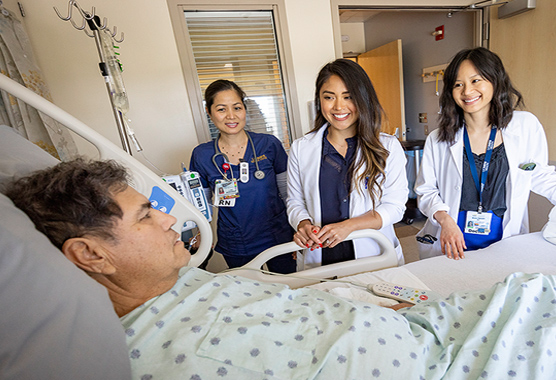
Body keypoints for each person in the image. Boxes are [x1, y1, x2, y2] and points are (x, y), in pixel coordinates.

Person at [6, 158, 556, 379]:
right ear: (90, 254)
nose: (171, 219)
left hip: (412, 327)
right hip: (426, 364)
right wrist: (312, 227)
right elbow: (292, 200)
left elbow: (394, 208)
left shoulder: (182, 281)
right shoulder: (147, 354)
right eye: (148, 213)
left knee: (530, 290)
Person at [415, 47, 556, 260]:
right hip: (453, 237)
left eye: (476, 80)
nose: (467, 91)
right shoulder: (439, 138)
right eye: (458, 84)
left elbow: (540, 175)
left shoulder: (524, 126)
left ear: (495, 81)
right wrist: (445, 220)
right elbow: (425, 190)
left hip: (505, 236)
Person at [287, 58, 408, 269]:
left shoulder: (387, 147)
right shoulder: (301, 148)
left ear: (363, 99)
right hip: (321, 254)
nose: (338, 106)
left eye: (348, 97)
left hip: (374, 253)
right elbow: (295, 201)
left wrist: (348, 227)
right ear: (319, 101)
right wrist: (303, 224)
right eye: (329, 97)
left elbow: (395, 207)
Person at [189, 80, 295, 273]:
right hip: (237, 241)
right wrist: (199, 234)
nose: (231, 116)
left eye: (237, 107)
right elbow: (200, 205)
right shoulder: (202, 155)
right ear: (209, 111)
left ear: (244, 109)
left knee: (288, 291)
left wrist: (297, 228)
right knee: (249, 296)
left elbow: (289, 194)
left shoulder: (269, 144)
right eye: (221, 109)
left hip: (278, 236)